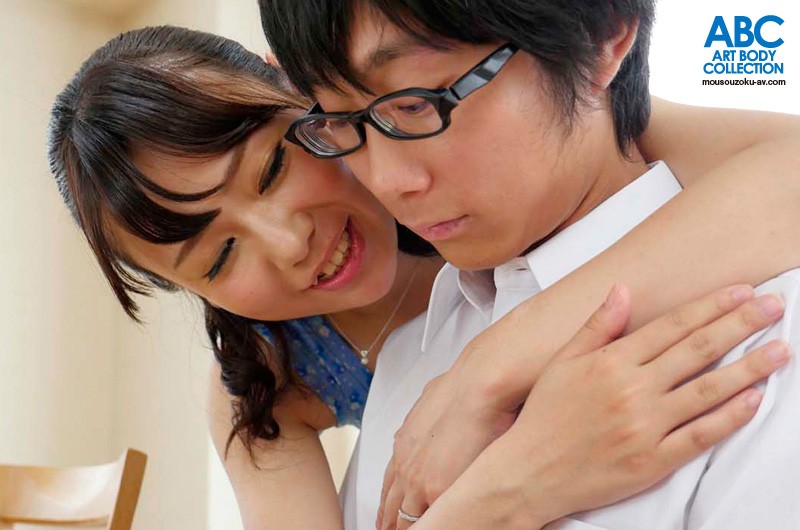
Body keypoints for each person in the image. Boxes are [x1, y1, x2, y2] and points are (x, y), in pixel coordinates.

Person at [49, 24, 797, 530]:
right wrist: (507, 493)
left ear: (304, 91)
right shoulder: (266, 379)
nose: (290, 243)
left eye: (274, 166)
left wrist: (488, 369)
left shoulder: (516, 149)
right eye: (218, 260)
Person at [258, 1, 800, 528]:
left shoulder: (766, 343)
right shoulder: (410, 358)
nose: (388, 181)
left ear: (603, 37)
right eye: (339, 119)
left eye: (417, 104)